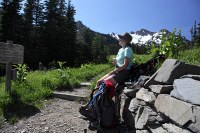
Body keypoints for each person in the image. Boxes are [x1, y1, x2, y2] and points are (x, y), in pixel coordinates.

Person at [80, 32, 133, 110]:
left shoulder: (128, 49)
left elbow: (125, 65)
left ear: (126, 41)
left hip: (123, 73)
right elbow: (120, 62)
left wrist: (114, 71)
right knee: (98, 82)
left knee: (103, 84)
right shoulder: (121, 49)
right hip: (118, 71)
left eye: (121, 38)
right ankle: (90, 103)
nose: (119, 39)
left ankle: (92, 106)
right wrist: (116, 62)